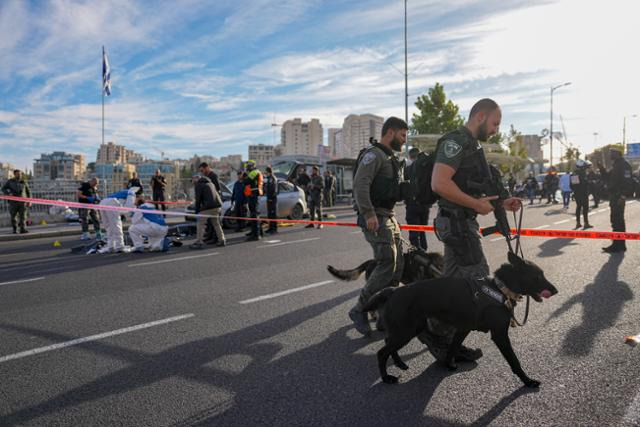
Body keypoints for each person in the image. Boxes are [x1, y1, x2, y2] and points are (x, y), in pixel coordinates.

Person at [420, 98, 522, 362]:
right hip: (457, 224)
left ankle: (437, 334)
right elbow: (439, 183)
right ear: (479, 116)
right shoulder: (456, 141)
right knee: (474, 285)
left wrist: (502, 202)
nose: (496, 130)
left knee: (454, 286)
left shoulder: (473, 145)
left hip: (461, 222)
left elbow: (471, 184)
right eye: (495, 123)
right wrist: (476, 204)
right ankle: (442, 338)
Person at [348, 117, 408, 336]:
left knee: (398, 265)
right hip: (376, 217)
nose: (404, 141)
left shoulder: (389, 157)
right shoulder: (373, 155)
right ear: (390, 133)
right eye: (402, 135)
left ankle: (385, 313)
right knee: (386, 264)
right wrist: (369, 213)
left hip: (388, 216)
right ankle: (359, 309)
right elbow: (360, 184)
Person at [602, 149, 632, 253]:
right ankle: (620, 244)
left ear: (618, 153)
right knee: (616, 220)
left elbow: (628, 181)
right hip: (614, 196)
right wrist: (601, 169)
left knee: (617, 221)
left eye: (612, 152)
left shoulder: (624, 164)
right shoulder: (616, 165)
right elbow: (607, 178)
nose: (610, 154)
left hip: (619, 197)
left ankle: (618, 245)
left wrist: (623, 196)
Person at [98, 187, 139, 253]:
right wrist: (134, 212)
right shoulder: (132, 193)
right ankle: (119, 246)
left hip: (103, 202)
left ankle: (111, 246)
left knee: (109, 227)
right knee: (116, 224)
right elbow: (128, 208)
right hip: (112, 203)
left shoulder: (124, 192)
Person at [404, 147, 430, 250]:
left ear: (410, 157)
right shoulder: (426, 168)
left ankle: (417, 254)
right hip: (425, 206)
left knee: (414, 232)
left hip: (412, 205)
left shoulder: (408, 169)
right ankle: (424, 251)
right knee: (422, 231)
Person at [190, 174, 225, 249]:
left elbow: (198, 199)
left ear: (196, 179)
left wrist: (197, 210)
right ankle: (222, 240)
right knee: (216, 223)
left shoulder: (199, 185)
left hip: (208, 207)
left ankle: (199, 242)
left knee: (200, 224)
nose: (192, 182)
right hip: (217, 206)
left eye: (192, 180)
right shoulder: (210, 183)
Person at [1, 169, 31, 234]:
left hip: (23, 202)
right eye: (18, 174)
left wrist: (29, 201)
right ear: (15, 174)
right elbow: (3, 188)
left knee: (23, 216)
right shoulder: (10, 181)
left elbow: (28, 192)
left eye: (20, 174)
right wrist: (8, 193)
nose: (19, 175)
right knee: (13, 217)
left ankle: (23, 229)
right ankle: (15, 229)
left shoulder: (24, 182)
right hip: (13, 202)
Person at [199, 162, 222, 242]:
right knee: (210, 222)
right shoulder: (207, 176)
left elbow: (217, 188)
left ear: (207, 168)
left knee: (215, 222)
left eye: (202, 170)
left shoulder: (213, 176)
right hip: (208, 203)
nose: (202, 172)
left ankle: (215, 238)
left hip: (214, 203)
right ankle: (210, 236)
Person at [243, 160, 263, 241]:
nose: (246, 168)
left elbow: (246, 181)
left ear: (251, 165)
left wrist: (245, 176)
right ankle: (257, 232)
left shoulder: (254, 172)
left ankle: (256, 235)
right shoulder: (254, 172)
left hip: (254, 194)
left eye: (247, 166)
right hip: (253, 194)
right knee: (253, 214)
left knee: (254, 215)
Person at [570, 160, 592, 230]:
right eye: (584, 167)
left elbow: (573, 186)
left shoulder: (574, 174)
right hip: (582, 193)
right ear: (581, 167)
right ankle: (585, 223)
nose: (585, 168)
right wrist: (588, 182)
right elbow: (580, 185)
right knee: (585, 208)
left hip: (577, 194)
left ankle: (578, 223)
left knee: (579, 207)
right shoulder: (581, 174)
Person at [264, 166, 279, 234]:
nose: (265, 173)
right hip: (269, 199)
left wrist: (271, 198)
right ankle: (270, 228)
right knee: (269, 214)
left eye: (266, 172)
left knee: (273, 214)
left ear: (269, 172)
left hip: (272, 199)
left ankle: (274, 228)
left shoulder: (273, 179)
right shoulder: (269, 179)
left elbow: (274, 190)